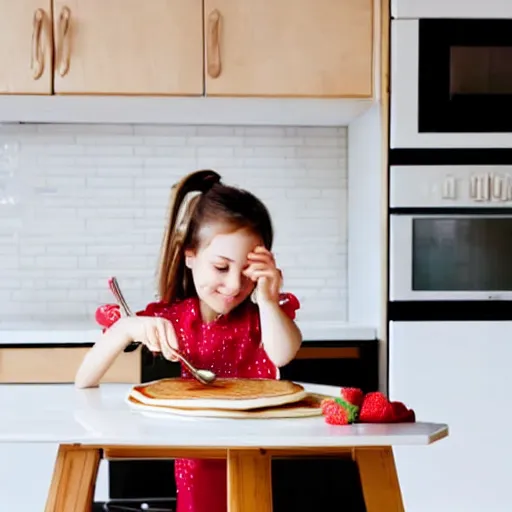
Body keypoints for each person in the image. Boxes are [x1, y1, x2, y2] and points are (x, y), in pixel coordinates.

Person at [75, 169, 303, 512]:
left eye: (247, 272)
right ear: (190, 256)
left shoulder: (263, 317)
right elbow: (84, 379)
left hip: (259, 452)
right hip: (197, 458)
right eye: (221, 268)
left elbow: (283, 355)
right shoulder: (176, 318)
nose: (233, 286)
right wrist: (125, 329)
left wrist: (269, 299)